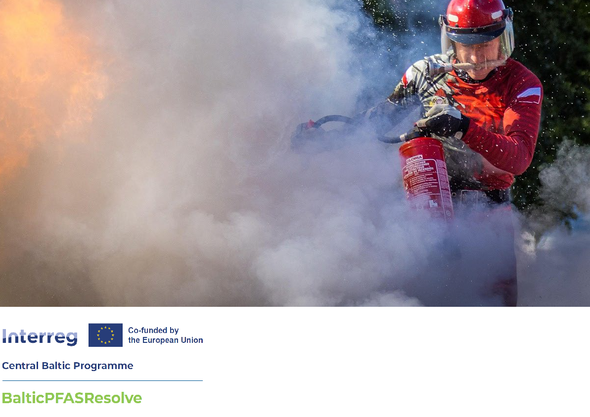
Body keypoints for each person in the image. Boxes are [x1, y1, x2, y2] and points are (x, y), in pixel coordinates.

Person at [370, 0, 543, 305]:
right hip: (425, 209)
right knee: (421, 303)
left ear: (504, 37)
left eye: (486, 45)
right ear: (450, 41)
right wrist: (324, 132)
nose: (476, 58)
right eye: (466, 46)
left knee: (491, 309)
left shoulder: (521, 83)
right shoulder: (425, 74)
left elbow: (519, 158)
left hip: (488, 215)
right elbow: (373, 125)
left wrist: (464, 127)